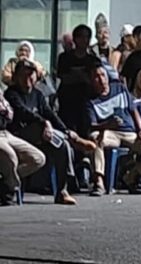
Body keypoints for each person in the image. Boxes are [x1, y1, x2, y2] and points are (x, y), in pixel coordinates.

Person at [5, 61, 95, 205]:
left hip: (44, 138)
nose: (27, 78)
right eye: (23, 75)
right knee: (40, 128)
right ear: (16, 77)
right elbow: (23, 112)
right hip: (19, 136)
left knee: (63, 146)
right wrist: (44, 123)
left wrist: (65, 130)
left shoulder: (38, 94)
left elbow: (50, 114)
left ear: (36, 76)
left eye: (30, 74)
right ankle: (73, 140)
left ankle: (62, 191)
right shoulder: (11, 93)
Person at [86, 64, 141, 195]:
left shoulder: (119, 88)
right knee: (95, 138)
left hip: (131, 133)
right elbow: (92, 125)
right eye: (96, 77)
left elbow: (133, 110)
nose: (101, 79)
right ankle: (99, 182)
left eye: (102, 75)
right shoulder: (91, 101)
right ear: (91, 81)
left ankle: (131, 177)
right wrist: (108, 125)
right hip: (110, 133)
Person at [0, 90, 45, 206]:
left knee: (38, 158)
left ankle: (5, 183)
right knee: (11, 157)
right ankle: (9, 190)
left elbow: (10, 115)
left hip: (6, 133)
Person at [57, 25, 99, 136]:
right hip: (68, 100)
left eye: (87, 37)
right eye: (81, 37)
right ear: (75, 39)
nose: (84, 40)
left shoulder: (93, 60)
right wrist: (80, 76)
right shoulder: (64, 58)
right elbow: (62, 76)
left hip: (86, 101)